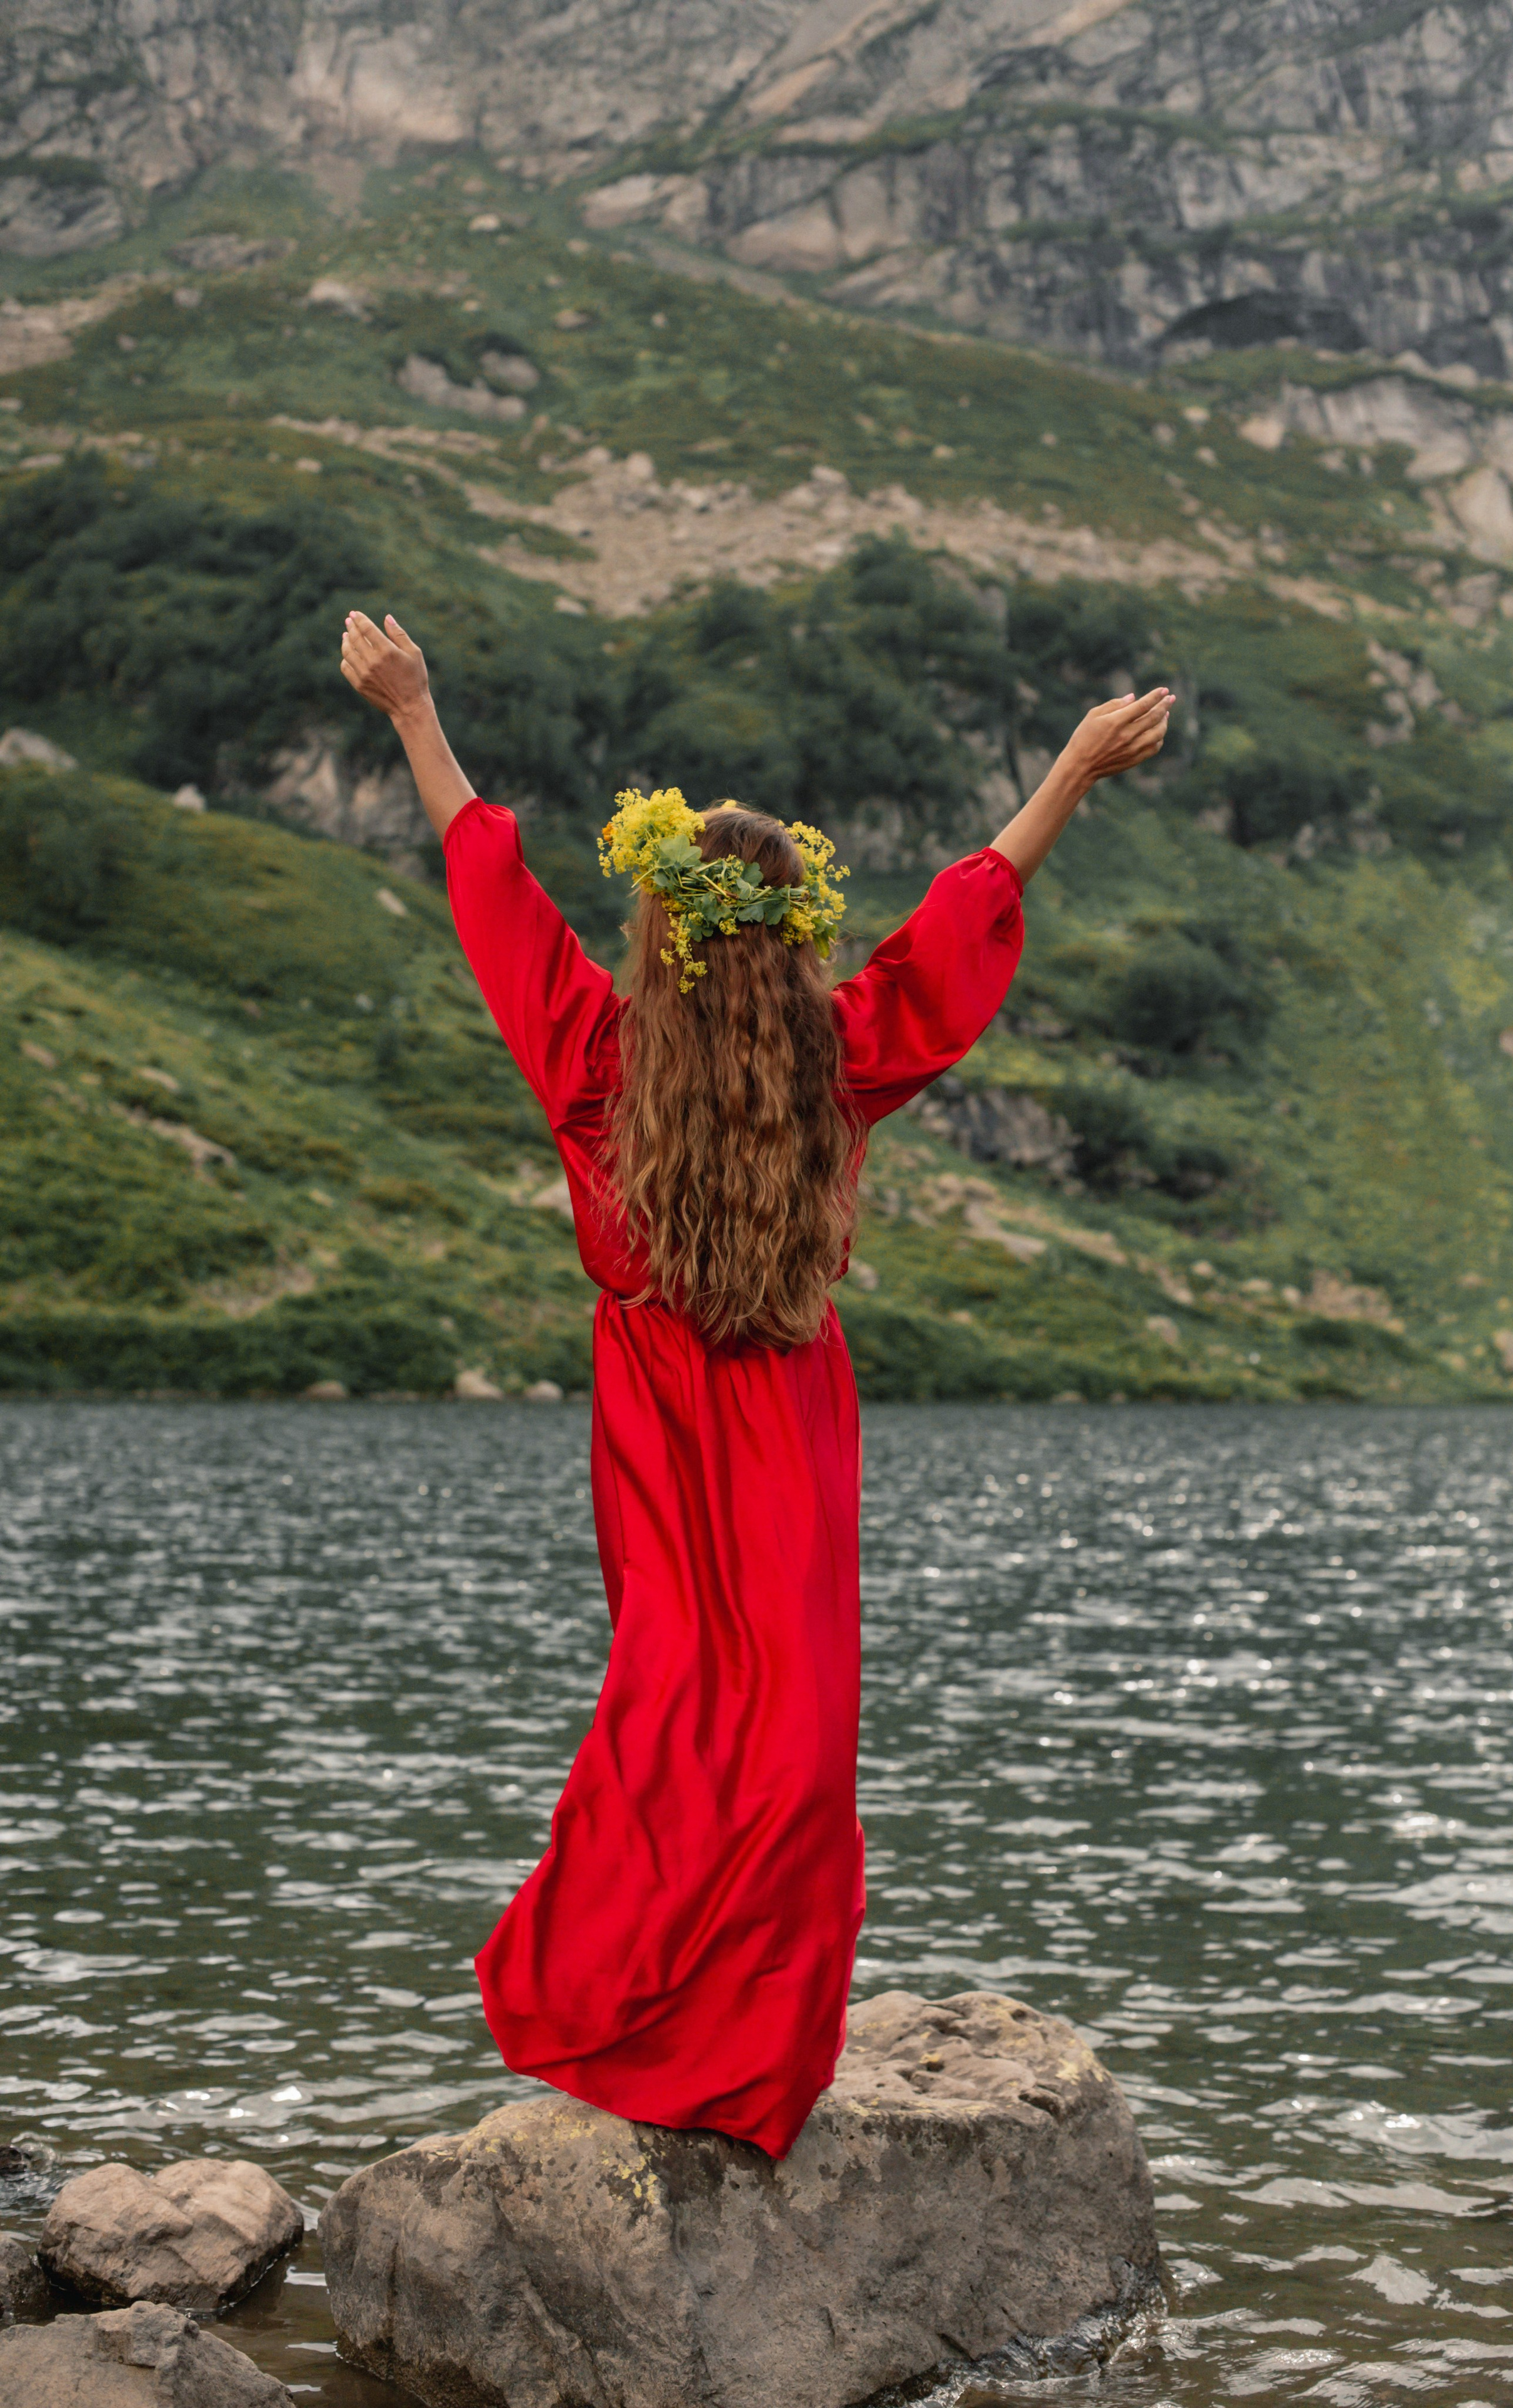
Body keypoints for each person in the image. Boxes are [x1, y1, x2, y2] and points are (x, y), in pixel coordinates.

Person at [340, 606, 1172, 2158]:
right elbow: (955, 932)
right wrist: (1066, 768)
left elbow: (492, 887)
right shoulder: (835, 1056)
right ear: (790, 942)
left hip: (660, 1425)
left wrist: (412, 713)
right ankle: (739, 2058)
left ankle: (624, 2011)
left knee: (671, 1710)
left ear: (660, 931)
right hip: (787, 1423)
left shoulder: (597, 1052)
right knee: (791, 1742)